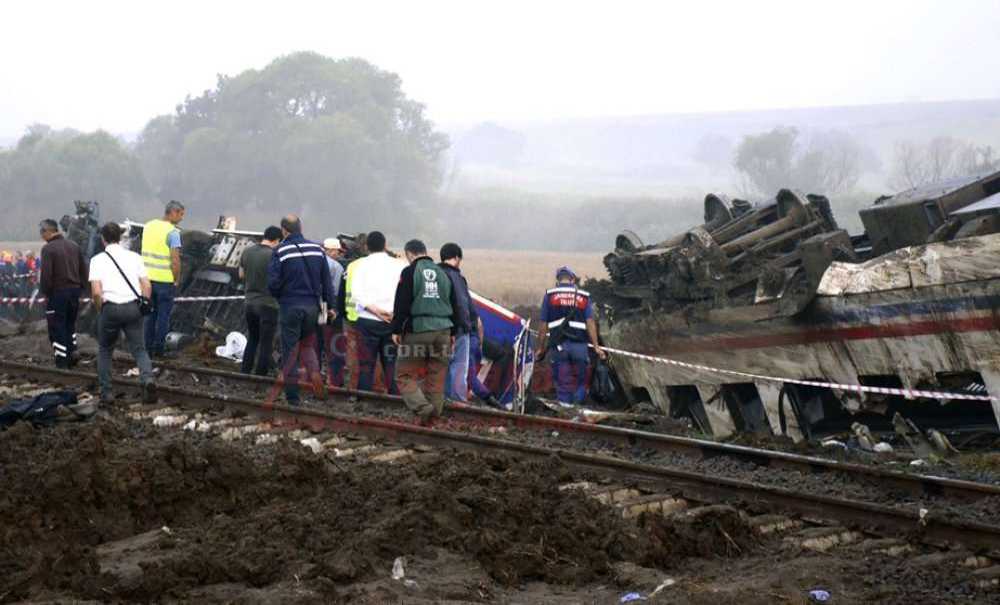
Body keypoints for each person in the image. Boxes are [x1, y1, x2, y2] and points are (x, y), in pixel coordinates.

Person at [267, 215, 336, 405]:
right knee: (307, 345)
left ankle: (292, 397)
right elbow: (326, 283)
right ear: (300, 227)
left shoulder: (281, 251)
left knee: (290, 351)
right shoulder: (317, 249)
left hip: (291, 306)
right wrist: (329, 307)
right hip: (313, 308)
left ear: (284, 230)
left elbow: (273, 284)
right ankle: (316, 377)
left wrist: (281, 296)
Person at [391, 239, 460, 421]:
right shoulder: (444, 273)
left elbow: (402, 303)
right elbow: (455, 305)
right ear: (425, 251)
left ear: (409, 254)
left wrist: (396, 329)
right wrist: (453, 333)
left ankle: (423, 408)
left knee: (403, 373)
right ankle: (435, 412)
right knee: (437, 374)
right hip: (444, 330)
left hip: (419, 329)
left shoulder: (409, 271)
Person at [88, 222, 157, 404]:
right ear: (119, 237)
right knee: (139, 349)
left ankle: (106, 392)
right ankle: (147, 379)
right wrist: (144, 303)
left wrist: (100, 309)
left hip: (110, 309)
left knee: (105, 350)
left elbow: (96, 292)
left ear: (103, 239)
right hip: (133, 308)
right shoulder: (135, 257)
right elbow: (147, 285)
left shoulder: (97, 260)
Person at [534, 266, 606, 406]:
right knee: (581, 381)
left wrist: (540, 348)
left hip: (559, 348)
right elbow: (590, 322)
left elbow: (543, 324)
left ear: (558, 280)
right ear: (572, 279)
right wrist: (596, 347)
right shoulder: (583, 297)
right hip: (579, 347)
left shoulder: (550, 296)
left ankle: (565, 410)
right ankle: (577, 407)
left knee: (562, 382)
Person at [438, 242, 496, 406]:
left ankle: (441, 402)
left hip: (435, 330)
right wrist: (464, 330)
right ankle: (457, 405)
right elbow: (464, 307)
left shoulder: (434, 274)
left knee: (440, 368)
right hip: (458, 332)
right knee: (458, 370)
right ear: (456, 258)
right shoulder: (456, 277)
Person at [349, 231, 406, 393]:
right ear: (385, 245)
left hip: (366, 321)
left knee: (366, 365)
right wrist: (389, 314)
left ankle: (364, 400)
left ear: (366, 246)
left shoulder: (360, 265)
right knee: (391, 364)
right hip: (392, 322)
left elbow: (356, 295)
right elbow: (405, 293)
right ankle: (394, 399)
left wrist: (377, 312)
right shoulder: (399, 265)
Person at [39, 218, 88, 369]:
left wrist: (46, 293)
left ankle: (62, 362)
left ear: (48, 231)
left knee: (56, 326)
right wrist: (81, 289)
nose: (41, 235)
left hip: (58, 293)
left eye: (41, 231)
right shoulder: (74, 246)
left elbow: (46, 276)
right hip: (75, 291)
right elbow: (83, 271)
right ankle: (72, 353)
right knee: (69, 324)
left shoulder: (48, 249)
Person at [141, 200, 185, 358]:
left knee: (149, 316)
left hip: (146, 280)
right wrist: (176, 279)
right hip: (165, 282)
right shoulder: (173, 233)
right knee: (163, 317)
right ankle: (159, 349)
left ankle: (147, 347)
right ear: (172, 212)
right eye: (180, 214)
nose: (181, 218)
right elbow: (175, 260)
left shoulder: (148, 226)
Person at [239, 226, 281, 376]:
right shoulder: (275, 255)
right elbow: (279, 280)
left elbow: (241, 275)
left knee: (253, 338)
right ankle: (260, 375)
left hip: (249, 303)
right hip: (268, 304)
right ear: (277, 240)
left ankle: (244, 371)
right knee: (266, 342)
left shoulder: (247, 251)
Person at [321, 238, 347, 388]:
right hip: (329, 308)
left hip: (316, 306)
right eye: (338, 251)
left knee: (318, 340)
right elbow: (336, 292)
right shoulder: (336, 267)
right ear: (331, 250)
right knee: (334, 342)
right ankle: (334, 380)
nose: (339, 254)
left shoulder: (315, 261)